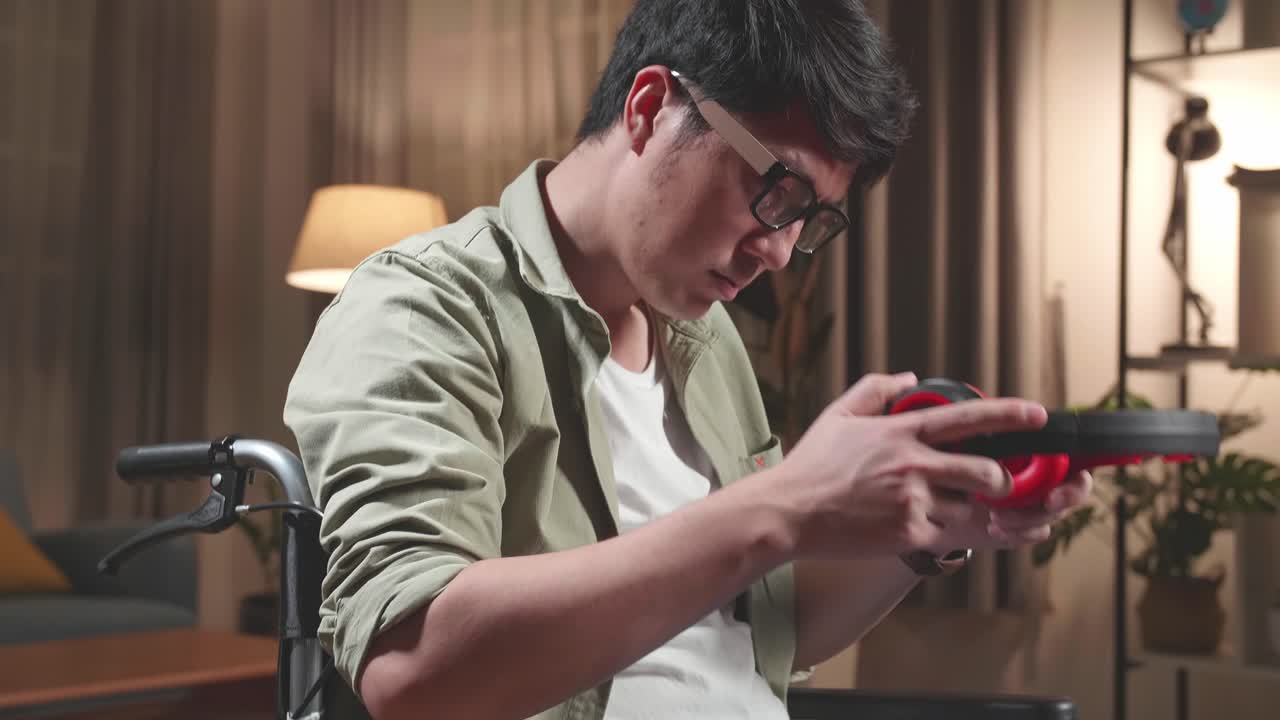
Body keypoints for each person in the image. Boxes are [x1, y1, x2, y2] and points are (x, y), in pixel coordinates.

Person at [283, 1, 1093, 718]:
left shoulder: (706, 341)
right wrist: (781, 507)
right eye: (776, 188)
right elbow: (413, 673)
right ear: (648, 109)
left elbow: (766, 633)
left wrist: (926, 531)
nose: (780, 253)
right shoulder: (424, 308)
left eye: (808, 219)